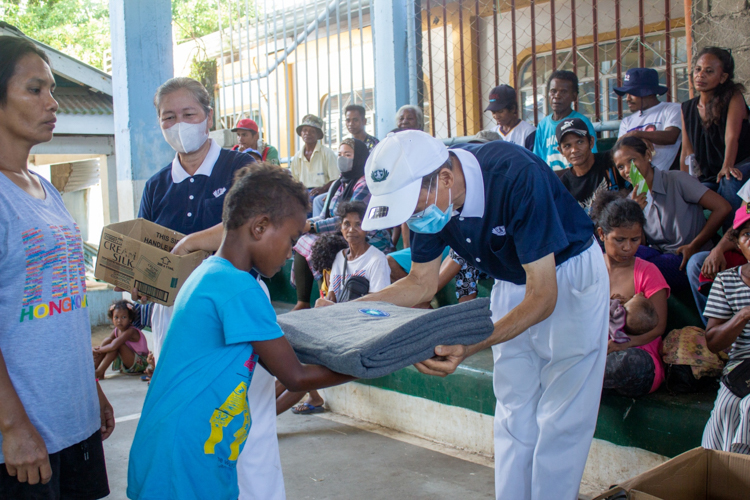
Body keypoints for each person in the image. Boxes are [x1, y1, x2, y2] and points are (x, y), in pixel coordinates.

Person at [333, 129, 609, 500]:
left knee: (562, 416)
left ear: (446, 178)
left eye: (412, 207)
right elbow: (421, 281)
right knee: (513, 409)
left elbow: (543, 295)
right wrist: (354, 313)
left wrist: (473, 341)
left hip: (566, 274)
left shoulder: (514, 175)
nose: (412, 219)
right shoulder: (432, 200)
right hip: (510, 280)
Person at [126, 164, 353, 500]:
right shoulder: (236, 287)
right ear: (260, 227)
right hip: (183, 458)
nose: (291, 252)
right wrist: (368, 364)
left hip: (190, 450)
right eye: (291, 240)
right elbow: (296, 377)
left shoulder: (211, 273)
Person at [0, 35, 113, 499]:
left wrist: (92, 389)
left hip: (73, 422)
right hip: (23, 441)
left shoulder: (47, 191)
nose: (53, 103)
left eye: (52, 89)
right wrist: (12, 426)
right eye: (34, 89)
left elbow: (63, 306)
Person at [137, 76, 256, 363]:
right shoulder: (156, 186)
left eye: (188, 114)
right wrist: (138, 279)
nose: (179, 124)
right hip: (173, 309)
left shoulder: (240, 167)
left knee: (233, 400)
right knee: (180, 397)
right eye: (169, 117)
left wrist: (191, 243)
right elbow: (144, 248)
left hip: (234, 302)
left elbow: (250, 223)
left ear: (208, 117)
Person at [281, 201, 391, 416]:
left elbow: (379, 305)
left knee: (302, 362)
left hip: (362, 327)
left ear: (367, 227)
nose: (351, 230)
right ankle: (308, 398)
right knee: (292, 344)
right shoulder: (340, 257)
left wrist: (332, 309)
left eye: (358, 224)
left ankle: (266, 414)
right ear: (340, 227)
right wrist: (323, 306)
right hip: (338, 324)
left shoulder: (377, 259)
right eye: (346, 224)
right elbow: (332, 294)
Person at [612, 136, 731, 292]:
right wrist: (635, 215)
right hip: (663, 258)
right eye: (620, 167)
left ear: (647, 155)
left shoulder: (676, 180)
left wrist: (694, 245)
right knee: (620, 253)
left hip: (691, 258)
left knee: (638, 264)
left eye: (632, 161)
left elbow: (723, 208)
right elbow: (638, 245)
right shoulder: (632, 200)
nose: (627, 170)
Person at [291, 138, 391, 310]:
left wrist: (313, 227)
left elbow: (349, 219)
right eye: (340, 154)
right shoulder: (339, 183)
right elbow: (324, 215)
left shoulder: (365, 184)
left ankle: (329, 297)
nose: (342, 159)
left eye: (348, 155)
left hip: (367, 235)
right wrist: (304, 223)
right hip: (342, 231)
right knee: (303, 240)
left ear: (359, 157)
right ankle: (305, 300)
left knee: (319, 245)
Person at [590, 193, 670, 398]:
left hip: (637, 357)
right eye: (619, 240)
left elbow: (659, 327)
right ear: (601, 234)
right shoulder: (589, 269)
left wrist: (624, 344)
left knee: (624, 363)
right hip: (594, 352)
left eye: (634, 239)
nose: (627, 247)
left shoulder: (648, 272)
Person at [702, 206, 750, 454]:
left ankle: (740, 471)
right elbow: (713, 342)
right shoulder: (727, 281)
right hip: (742, 367)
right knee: (725, 410)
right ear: (738, 243)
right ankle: (718, 470)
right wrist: (743, 315)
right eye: (747, 235)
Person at [681, 47, 750, 212]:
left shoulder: (734, 97)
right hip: (711, 175)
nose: (700, 75)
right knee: (688, 192)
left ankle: (733, 235)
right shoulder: (687, 107)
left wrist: (727, 165)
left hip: (741, 164)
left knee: (729, 179)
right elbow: (687, 151)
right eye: (698, 69)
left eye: (709, 71)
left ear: (723, 77)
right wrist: (686, 181)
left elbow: (731, 137)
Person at [615, 68, 682, 172]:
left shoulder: (671, 109)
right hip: (636, 178)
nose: (627, 98)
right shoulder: (627, 121)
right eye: (626, 94)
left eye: (632, 93)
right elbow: (619, 148)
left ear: (649, 92)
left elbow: (671, 136)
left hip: (667, 177)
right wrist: (638, 139)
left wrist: (637, 135)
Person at [555, 117, 626, 212]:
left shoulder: (611, 160)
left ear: (591, 142)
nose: (574, 150)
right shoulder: (563, 186)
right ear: (561, 151)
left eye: (580, 142)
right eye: (567, 146)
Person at [533, 70, 598, 170]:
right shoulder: (542, 125)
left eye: (563, 92)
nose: (557, 96)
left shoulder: (581, 122)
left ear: (574, 96)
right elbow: (537, 161)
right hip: (551, 182)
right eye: (553, 91)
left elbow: (592, 158)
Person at [289, 114, 338, 217]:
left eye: (312, 131)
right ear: (301, 133)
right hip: (304, 192)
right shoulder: (297, 157)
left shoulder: (327, 153)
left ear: (318, 135)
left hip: (323, 191)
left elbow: (336, 179)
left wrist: (323, 189)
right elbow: (294, 181)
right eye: (305, 130)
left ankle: (312, 228)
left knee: (313, 200)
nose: (308, 133)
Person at [93, 300, 149, 379]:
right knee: (107, 340)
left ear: (130, 319)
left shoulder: (131, 331)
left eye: (123, 317)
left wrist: (98, 350)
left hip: (139, 363)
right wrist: (99, 349)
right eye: (116, 317)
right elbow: (108, 343)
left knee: (118, 345)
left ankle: (99, 372)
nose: (119, 320)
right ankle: (94, 368)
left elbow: (113, 346)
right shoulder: (117, 330)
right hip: (127, 362)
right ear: (112, 318)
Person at [484, 84, 535, 150]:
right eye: (493, 112)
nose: (496, 116)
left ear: (513, 108)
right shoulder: (492, 134)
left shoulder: (528, 132)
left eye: (500, 111)